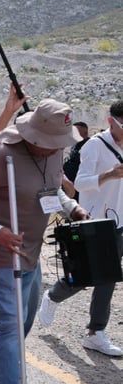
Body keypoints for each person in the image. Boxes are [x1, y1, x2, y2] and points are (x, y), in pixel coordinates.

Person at [0, 97, 88, 384]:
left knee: (20, 326)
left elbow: (51, 187)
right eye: (49, 145)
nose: (54, 150)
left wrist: (72, 208)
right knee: (9, 327)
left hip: (32, 254)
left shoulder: (52, 153)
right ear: (33, 135)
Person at [37, 101, 123, 357]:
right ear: (111, 121)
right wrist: (109, 174)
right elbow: (80, 184)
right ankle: (52, 296)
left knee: (108, 278)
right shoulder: (95, 145)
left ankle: (95, 332)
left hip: (118, 222)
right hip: (93, 220)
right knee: (84, 276)